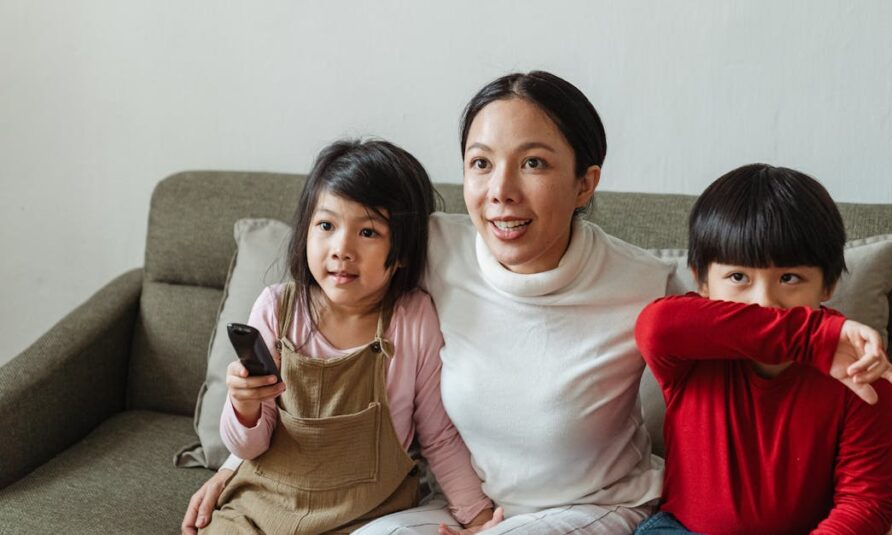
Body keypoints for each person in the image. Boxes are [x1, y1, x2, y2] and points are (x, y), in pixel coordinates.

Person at [184, 72, 677, 535]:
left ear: (584, 183)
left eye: (533, 163)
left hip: (589, 505)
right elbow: (326, 316)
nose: (500, 192)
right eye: (481, 162)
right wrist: (240, 466)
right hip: (467, 502)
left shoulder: (647, 285)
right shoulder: (432, 247)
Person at [199, 139, 494, 534]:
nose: (342, 249)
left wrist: (477, 516)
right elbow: (249, 447)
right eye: (326, 226)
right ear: (305, 232)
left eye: (368, 232)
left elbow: (438, 437)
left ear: (403, 250)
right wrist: (243, 406)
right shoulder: (276, 309)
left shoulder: (412, 319)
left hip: (368, 517)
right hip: (261, 509)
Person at [632, 164, 892, 535]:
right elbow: (657, 326)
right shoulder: (692, 350)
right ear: (701, 281)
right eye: (738, 278)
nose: (764, 302)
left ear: (827, 285)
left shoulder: (861, 369)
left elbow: (866, 503)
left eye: (789, 278)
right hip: (681, 529)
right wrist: (812, 337)